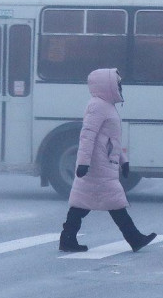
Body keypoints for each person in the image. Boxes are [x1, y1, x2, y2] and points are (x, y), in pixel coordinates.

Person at [58, 68, 157, 253]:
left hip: (103, 164)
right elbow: (87, 136)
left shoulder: (105, 105)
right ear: (107, 84)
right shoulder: (98, 106)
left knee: (84, 204)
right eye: (117, 83)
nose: (120, 86)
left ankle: (67, 239)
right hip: (97, 165)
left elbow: (111, 140)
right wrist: (83, 163)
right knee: (113, 203)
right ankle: (134, 238)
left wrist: (123, 161)